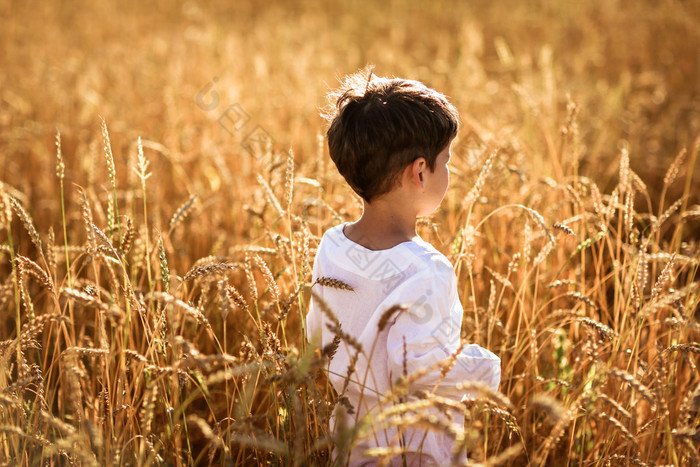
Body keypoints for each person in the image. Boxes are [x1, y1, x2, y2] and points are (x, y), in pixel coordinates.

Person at [306, 68, 501, 466]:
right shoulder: (426, 270)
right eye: (445, 162)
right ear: (420, 171)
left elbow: (319, 337)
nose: (448, 172)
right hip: (412, 449)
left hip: (351, 438)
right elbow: (421, 373)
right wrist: (486, 369)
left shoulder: (332, 246)